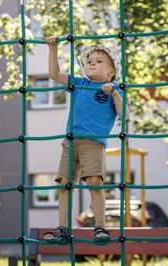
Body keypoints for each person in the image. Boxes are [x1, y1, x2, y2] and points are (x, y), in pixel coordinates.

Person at [43, 36, 128, 242]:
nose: (92, 62)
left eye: (99, 61)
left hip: (93, 142)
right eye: (89, 60)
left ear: (111, 72)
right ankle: (62, 229)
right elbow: (54, 74)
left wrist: (114, 93)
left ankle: (100, 227)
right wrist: (53, 49)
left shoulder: (113, 89)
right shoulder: (80, 83)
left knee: (94, 181)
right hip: (70, 142)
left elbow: (123, 115)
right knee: (64, 184)